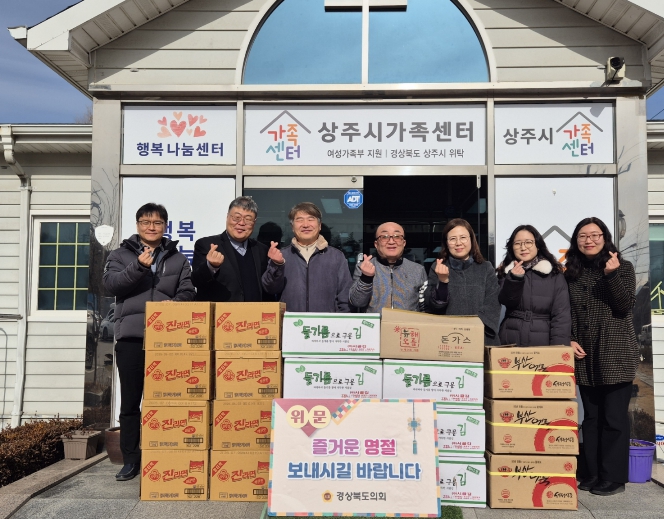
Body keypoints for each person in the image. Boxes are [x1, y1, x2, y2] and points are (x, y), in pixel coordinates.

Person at [103, 203, 195, 481]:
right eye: (146, 222)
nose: (151, 227)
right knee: (131, 402)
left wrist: (171, 308)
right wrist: (139, 267)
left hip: (168, 341)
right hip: (132, 337)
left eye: (157, 223)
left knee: (168, 400)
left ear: (165, 226)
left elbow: (188, 291)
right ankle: (131, 460)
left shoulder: (178, 259)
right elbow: (111, 285)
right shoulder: (120, 255)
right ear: (138, 225)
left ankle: (166, 454)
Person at [565, 217, 639, 496]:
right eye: (583, 236)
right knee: (592, 417)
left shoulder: (623, 267)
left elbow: (624, 305)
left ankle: (614, 477)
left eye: (595, 235)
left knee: (614, 418)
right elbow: (567, 312)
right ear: (576, 241)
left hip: (615, 350)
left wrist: (611, 275)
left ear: (605, 238)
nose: (589, 240)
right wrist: (569, 338)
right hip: (585, 353)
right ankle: (593, 472)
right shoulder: (571, 273)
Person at [262, 202, 352, 312]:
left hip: (325, 322)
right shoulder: (282, 255)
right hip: (291, 321)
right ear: (292, 227)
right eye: (299, 220)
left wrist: (341, 320)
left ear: (319, 225)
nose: (305, 225)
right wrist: (276, 265)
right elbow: (270, 289)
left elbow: (345, 296)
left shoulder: (336, 256)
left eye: (310, 219)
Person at [425, 218, 500, 345]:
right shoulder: (438, 267)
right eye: (452, 239)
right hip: (448, 338)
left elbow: (493, 303)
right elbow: (434, 306)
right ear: (446, 243)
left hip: (480, 337)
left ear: (471, 239)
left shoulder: (485, 268)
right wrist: (443, 281)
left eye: (463, 237)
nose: (458, 243)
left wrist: (474, 328)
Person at [496, 224, 571, 346]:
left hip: (543, 341)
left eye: (528, 242)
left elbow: (561, 316)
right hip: (510, 338)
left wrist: (558, 348)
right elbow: (507, 301)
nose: (523, 247)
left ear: (538, 245)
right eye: (517, 243)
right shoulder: (505, 272)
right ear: (512, 247)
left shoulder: (554, 275)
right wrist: (514, 279)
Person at [192, 196, 270, 302]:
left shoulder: (261, 250)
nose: (241, 223)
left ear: (254, 223)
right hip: (221, 312)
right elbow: (196, 281)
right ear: (227, 217)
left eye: (248, 219)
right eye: (237, 218)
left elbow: (267, 288)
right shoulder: (206, 245)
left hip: (254, 312)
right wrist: (211, 266)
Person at [349, 222, 427, 313]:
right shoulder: (363, 267)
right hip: (376, 322)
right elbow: (357, 303)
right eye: (384, 237)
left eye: (397, 236)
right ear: (376, 244)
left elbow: (425, 307)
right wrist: (366, 278)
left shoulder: (418, 270)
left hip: (407, 322)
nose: (391, 242)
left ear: (404, 243)